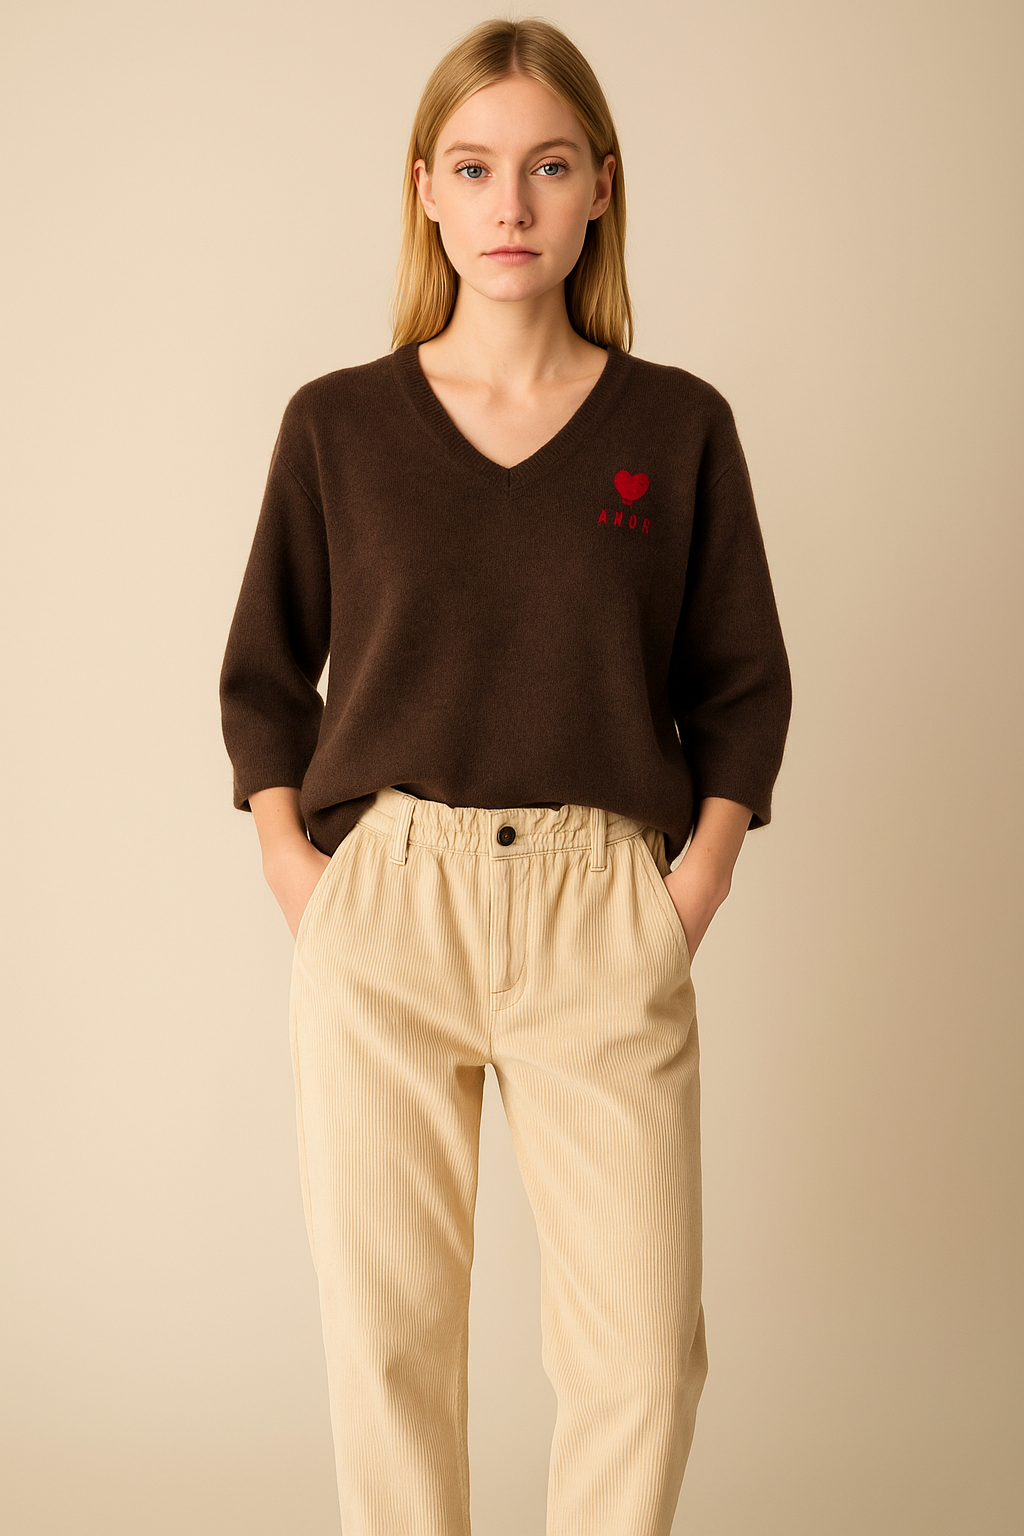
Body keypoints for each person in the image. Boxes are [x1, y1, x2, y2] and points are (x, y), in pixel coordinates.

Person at [219, 15, 792, 1536]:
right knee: (388, 1351)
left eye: (548, 166)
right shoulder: (340, 424)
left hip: (605, 908)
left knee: (642, 1360)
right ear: (425, 188)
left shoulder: (677, 427)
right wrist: (297, 868)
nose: (511, 204)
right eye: (474, 168)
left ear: (602, 185)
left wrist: (693, 882)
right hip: (386, 906)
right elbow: (264, 675)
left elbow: (742, 682)